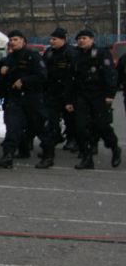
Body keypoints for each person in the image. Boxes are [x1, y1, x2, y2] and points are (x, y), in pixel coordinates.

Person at [0, 30, 52, 169]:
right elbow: (4, 77)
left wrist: (24, 81)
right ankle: (8, 156)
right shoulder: (10, 58)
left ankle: (48, 156)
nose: (13, 42)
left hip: (32, 98)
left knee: (40, 128)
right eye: (11, 40)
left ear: (23, 41)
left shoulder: (32, 56)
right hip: (14, 98)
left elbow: (42, 76)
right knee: (12, 127)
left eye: (15, 39)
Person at [67, 30, 121, 170]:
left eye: (84, 38)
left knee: (102, 126)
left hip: (99, 95)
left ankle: (115, 149)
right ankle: (87, 157)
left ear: (91, 39)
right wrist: (69, 100)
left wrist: (110, 94)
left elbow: (110, 74)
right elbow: (71, 79)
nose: (81, 41)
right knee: (81, 127)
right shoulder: (76, 55)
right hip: (81, 96)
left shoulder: (101, 53)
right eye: (79, 39)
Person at [41, 27, 76, 167]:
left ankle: (72, 140)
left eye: (55, 39)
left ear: (63, 40)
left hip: (67, 91)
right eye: (51, 39)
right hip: (51, 91)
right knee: (51, 118)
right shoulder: (49, 52)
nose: (52, 41)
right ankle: (53, 140)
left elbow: (74, 72)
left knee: (70, 118)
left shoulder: (71, 53)